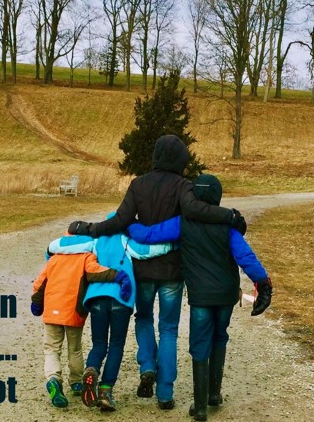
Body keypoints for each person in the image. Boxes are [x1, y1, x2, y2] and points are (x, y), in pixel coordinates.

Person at [68, 134, 247, 410]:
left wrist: (89, 228)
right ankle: (165, 393)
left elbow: (120, 220)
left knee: (144, 318)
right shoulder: (183, 185)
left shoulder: (138, 184)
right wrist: (230, 216)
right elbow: (195, 210)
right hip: (173, 270)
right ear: (180, 159)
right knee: (169, 329)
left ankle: (148, 366)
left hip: (143, 271)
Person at [128, 173, 273, 421]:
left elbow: (148, 235)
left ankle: (200, 407)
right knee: (220, 336)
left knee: (199, 343)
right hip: (226, 294)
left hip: (201, 297)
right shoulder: (227, 225)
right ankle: (214, 394)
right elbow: (245, 256)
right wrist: (263, 284)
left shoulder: (183, 223)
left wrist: (128, 223)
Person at [46, 224, 175, 412]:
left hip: (97, 297)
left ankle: (91, 369)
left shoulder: (96, 241)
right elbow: (146, 251)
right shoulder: (126, 239)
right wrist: (171, 245)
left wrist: (50, 247)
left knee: (99, 344)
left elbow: (70, 244)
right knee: (116, 345)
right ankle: (105, 391)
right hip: (120, 299)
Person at [30, 240, 132, 408]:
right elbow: (96, 272)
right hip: (73, 312)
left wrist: (36, 302)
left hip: (51, 311)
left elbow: (40, 283)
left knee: (52, 348)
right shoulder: (85, 257)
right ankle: (76, 382)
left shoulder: (54, 259)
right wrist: (118, 275)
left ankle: (53, 379)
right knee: (75, 348)